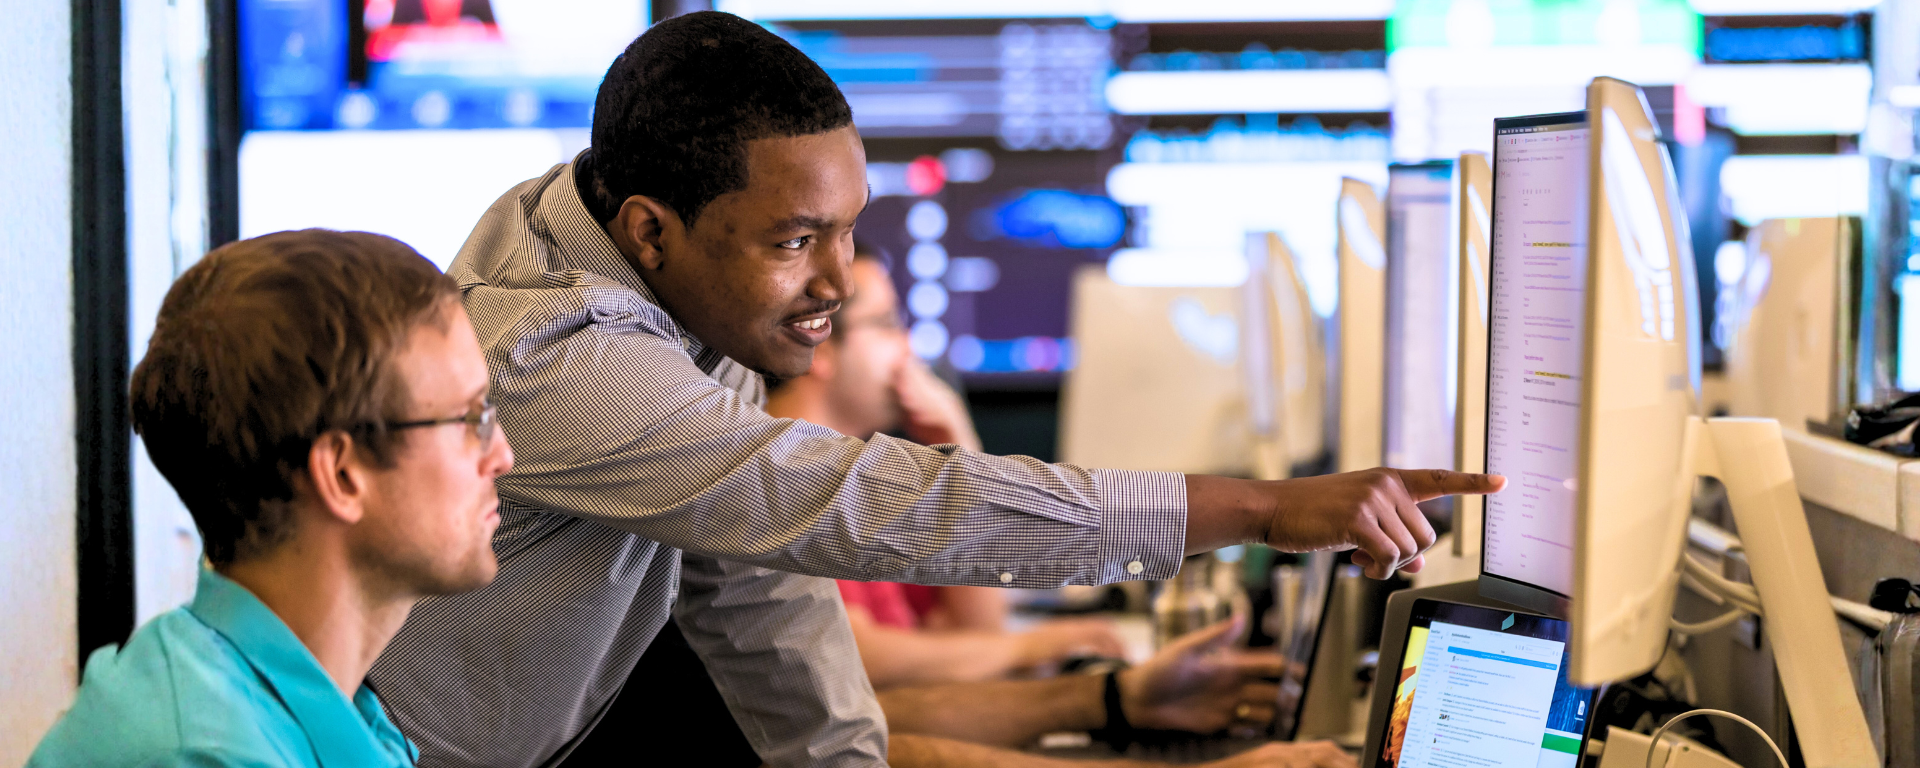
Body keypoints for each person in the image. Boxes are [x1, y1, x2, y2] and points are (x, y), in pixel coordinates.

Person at [369, 12, 1503, 768]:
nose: (840, 281)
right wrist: (1258, 510)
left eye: (850, 228)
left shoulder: (636, 241)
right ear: (652, 233)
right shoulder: (557, 350)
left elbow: (762, 594)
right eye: (796, 239)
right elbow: (867, 506)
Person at [759, 249, 1355, 767]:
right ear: (818, 336)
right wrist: (1036, 652)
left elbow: (954, 647)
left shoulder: (863, 471)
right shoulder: (777, 482)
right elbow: (853, 671)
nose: (909, 347)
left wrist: (1117, 700)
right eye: (886, 325)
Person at [28, 230, 515, 767]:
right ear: (344, 474)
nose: (503, 456)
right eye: (471, 418)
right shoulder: (208, 753)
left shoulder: (328, 706)